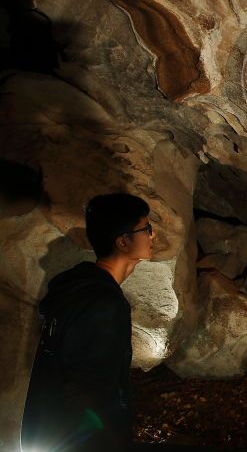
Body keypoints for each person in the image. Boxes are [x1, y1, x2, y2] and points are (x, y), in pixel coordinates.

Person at [21, 193, 154, 451]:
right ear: (123, 242)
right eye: (146, 229)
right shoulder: (101, 304)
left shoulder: (78, 289)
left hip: (48, 433)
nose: (153, 236)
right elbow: (89, 391)